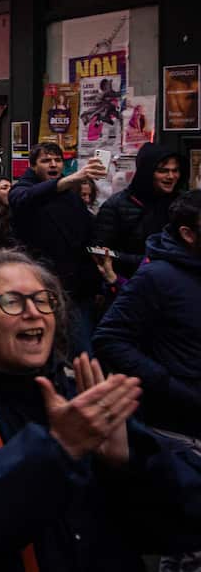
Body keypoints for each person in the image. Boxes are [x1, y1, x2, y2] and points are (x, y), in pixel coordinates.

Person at [0, 249, 191, 571]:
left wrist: (131, 462)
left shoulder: (83, 400)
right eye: (12, 302)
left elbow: (176, 524)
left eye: (43, 300)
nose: (33, 312)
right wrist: (58, 449)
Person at [94, 189, 201, 441]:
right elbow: (109, 339)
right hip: (179, 428)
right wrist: (169, 384)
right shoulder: (157, 276)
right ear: (188, 234)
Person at [10, 142, 106, 350]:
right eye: (46, 160)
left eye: (58, 160)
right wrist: (70, 179)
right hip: (41, 286)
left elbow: (87, 235)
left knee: (82, 350)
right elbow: (24, 198)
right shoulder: (22, 190)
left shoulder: (70, 195)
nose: (53, 165)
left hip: (77, 289)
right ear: (33, 166)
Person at [92, 143, 183, 278]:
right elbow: (101, 252)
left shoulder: (181, 204)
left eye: (175, 170)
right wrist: (147, 261)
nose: (171, 176)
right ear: (147, 172)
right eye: (163, 171)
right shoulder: (115, 206)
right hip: (130, 282)